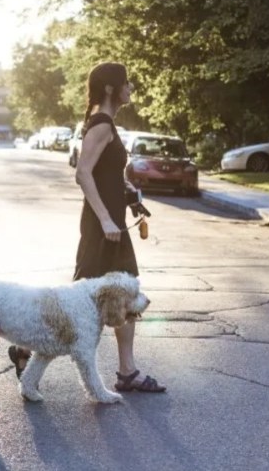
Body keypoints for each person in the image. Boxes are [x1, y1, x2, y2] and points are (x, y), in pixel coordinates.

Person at [9, 61, 166, 393]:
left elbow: (105, 173)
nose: (131, 88)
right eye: (126, 83)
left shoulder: (105, 124)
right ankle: (125, 371)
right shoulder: (101, 124)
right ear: (110, 88)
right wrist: (107, 218)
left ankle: (124, 370)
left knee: (108, 291)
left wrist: (128, 192)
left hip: (111, 222)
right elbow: (83, 173)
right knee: (106, 291)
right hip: (103, 227)